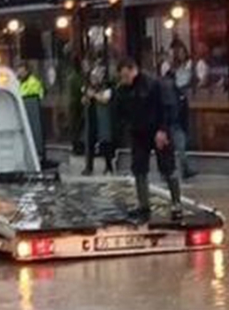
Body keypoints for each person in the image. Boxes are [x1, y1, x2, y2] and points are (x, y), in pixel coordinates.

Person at [117, 57, 181, 221]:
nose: (125, 80)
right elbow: (122, 110)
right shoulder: (124, 89)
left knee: (167, 167)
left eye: (126, 76)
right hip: (139, 132)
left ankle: (176, 203)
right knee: (139, 168)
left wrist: (163, 130)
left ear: (133, 70)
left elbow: (166, 107)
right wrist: (127, 126)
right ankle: (143, 205)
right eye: (122, 77)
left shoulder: (153, 84)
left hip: (157, 130)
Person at [166, 41, 196, 179]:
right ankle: (179, 169)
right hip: (173, 117)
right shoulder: (170, 78)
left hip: (176, 116)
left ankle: (180, 169)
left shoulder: (180, 74)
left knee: (179, 143)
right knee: (179, 144)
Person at [81, 64, 115, 176]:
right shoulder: (90, 88)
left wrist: (93, 95)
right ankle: (89, 167)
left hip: (103, 119)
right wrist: (86, 97)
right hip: (92, 119)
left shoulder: (107, 87)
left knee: (105, 143)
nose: (93, 80)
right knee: (90, 142)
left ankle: (109, 166)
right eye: (92, 78)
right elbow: (84, 101)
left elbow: (105, 99)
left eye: (96, 78)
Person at [17, 62, 47, 168]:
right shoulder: (19, 82)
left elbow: (32, 96)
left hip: (32, 111)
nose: (18, 72)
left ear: (26, 71)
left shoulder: (33, 82)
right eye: (18, 70)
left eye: (21, 70)